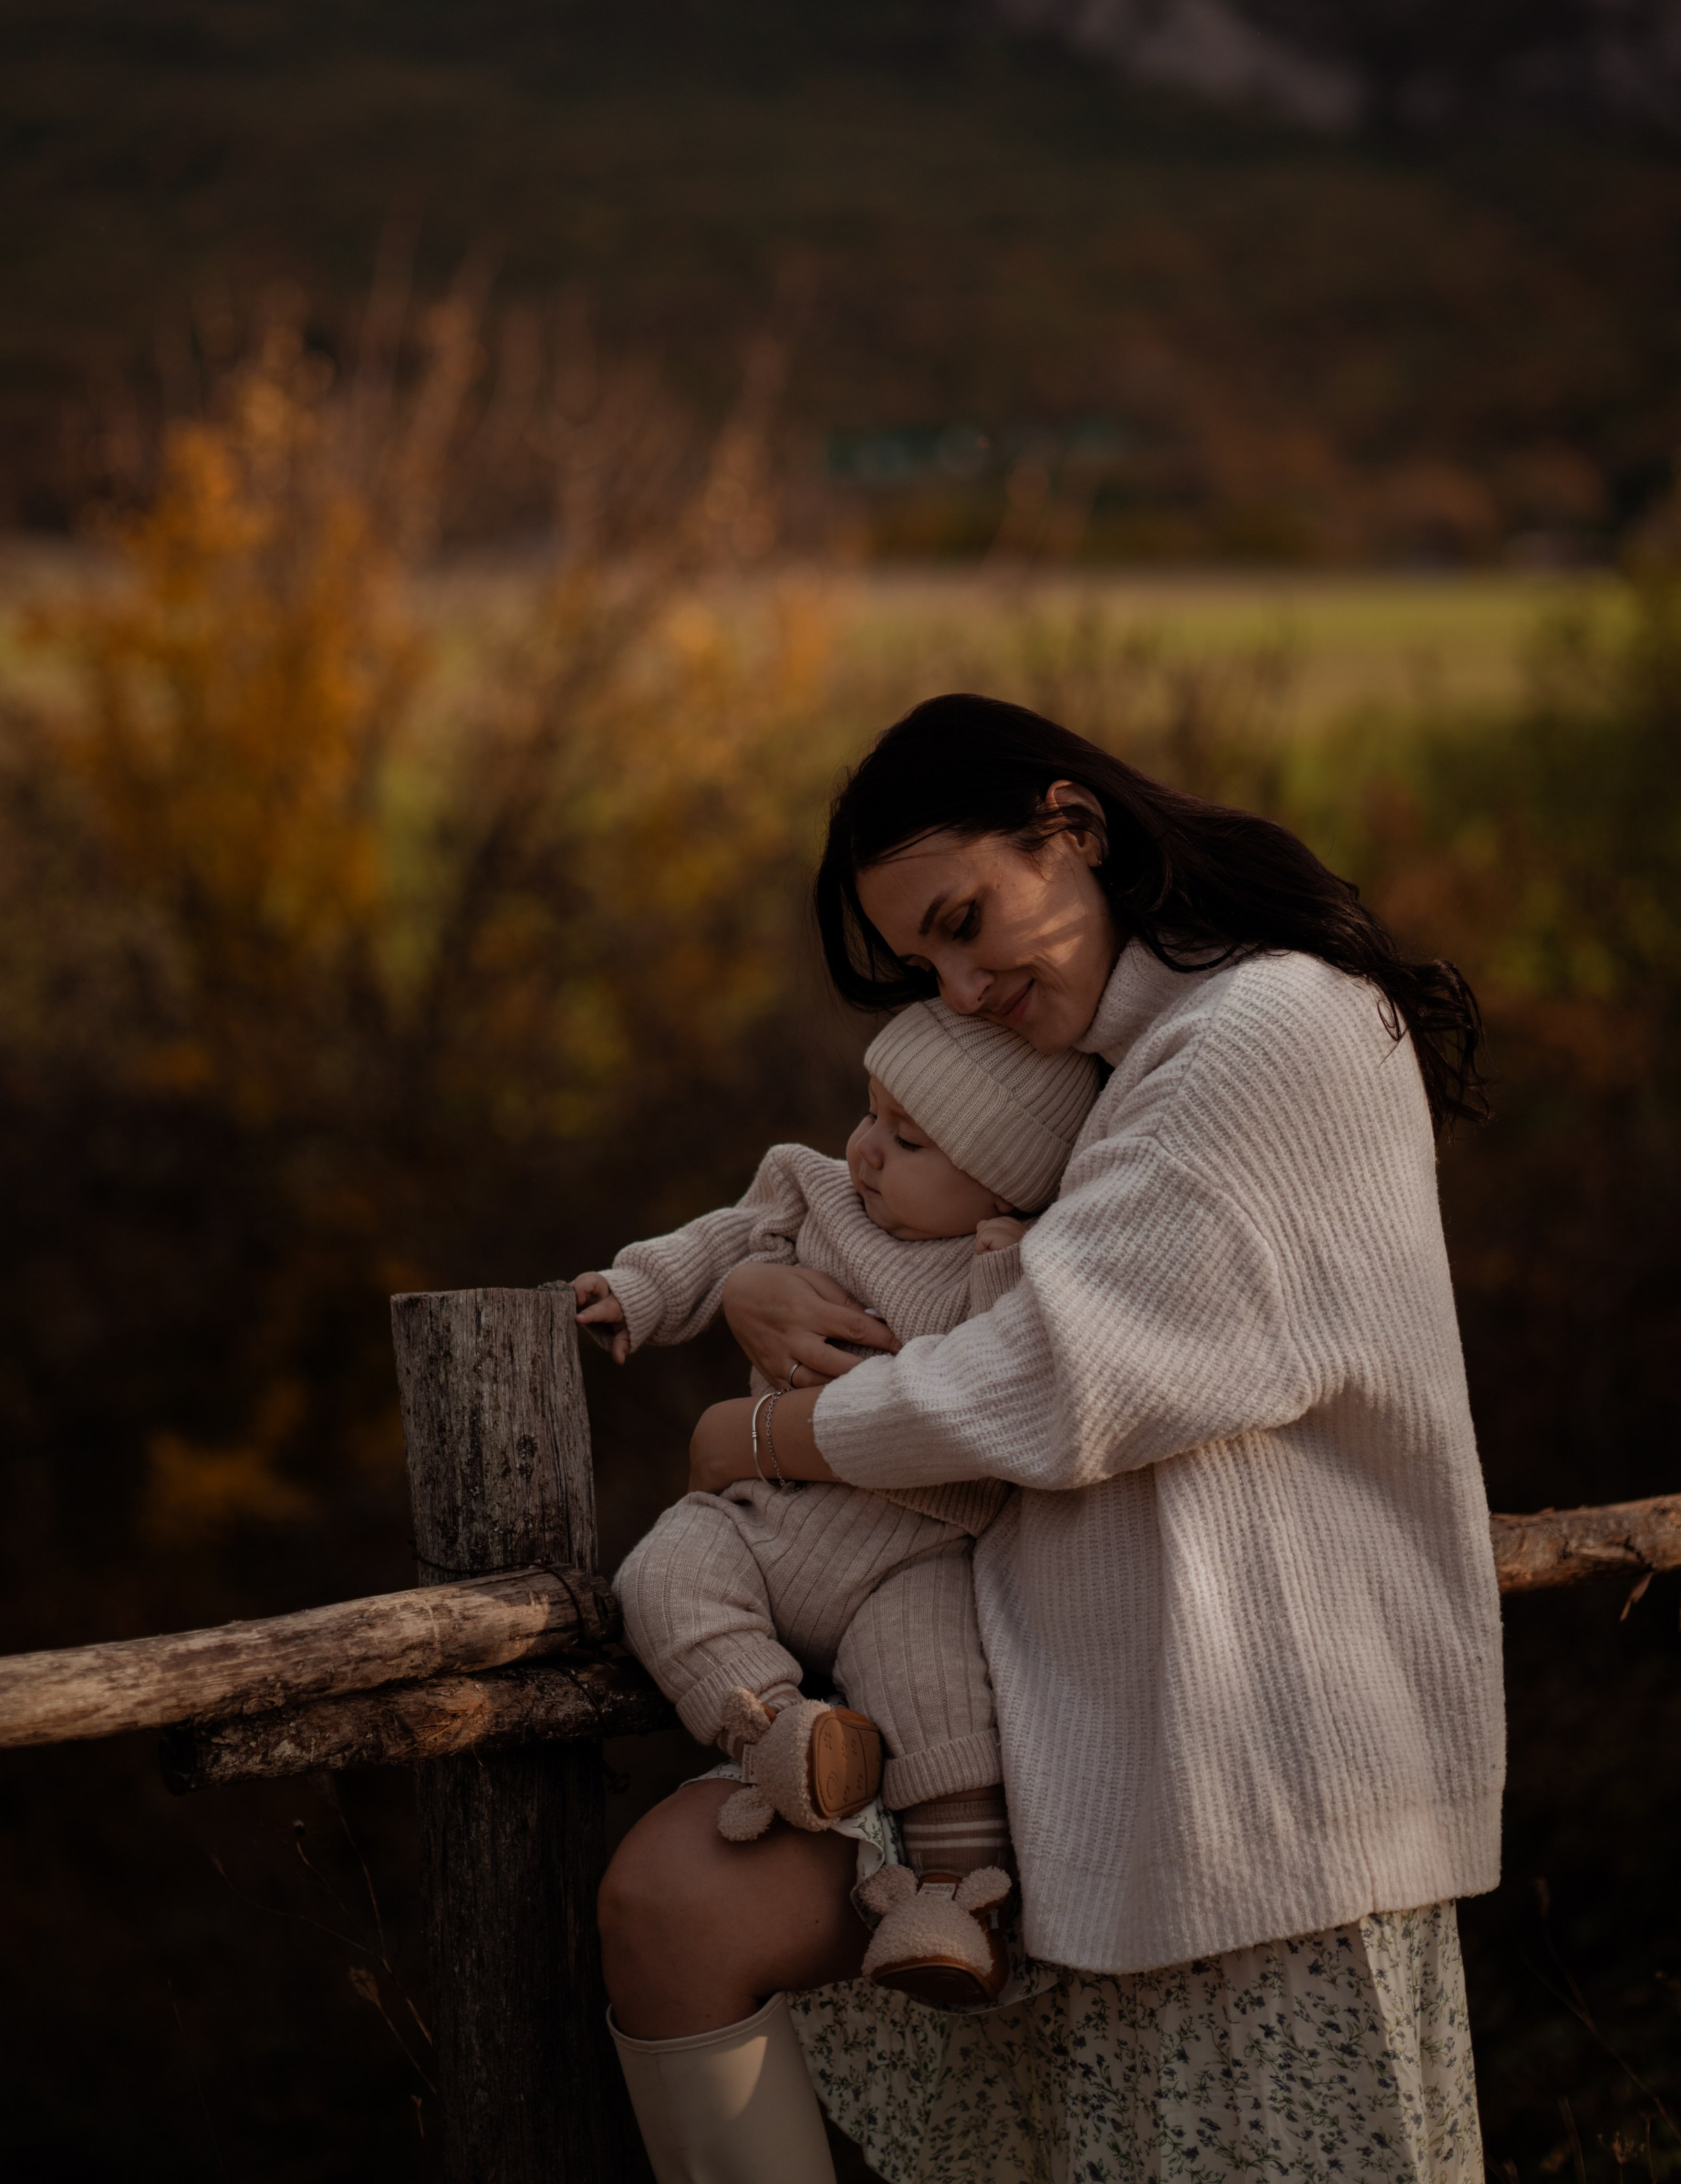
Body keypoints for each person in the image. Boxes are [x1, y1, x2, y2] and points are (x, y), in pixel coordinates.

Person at [597, 692, 1505, 2184]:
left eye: (965, 921)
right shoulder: (1107, 1064)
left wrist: (760, 1432)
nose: (955, 988)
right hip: (1064, 1740)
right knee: (674, 1904)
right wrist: (770, 1269)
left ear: (1069, 828)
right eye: (921, 963)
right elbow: (942, 1268)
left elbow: (1056, 1376)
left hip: (1243, 1769)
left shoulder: (1265, 1030)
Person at [574, 997, 1100, 2035]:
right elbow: (721, 1242)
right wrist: (639, 1289)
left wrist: (1008, 1261)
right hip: (763, 1516)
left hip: (911, 1558)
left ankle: (954, 1905)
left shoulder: (1015, 1266)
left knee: (941, 1696)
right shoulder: (814, 1194)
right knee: (662, 1578)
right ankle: (780, 1728)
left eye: (908, 1142)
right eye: (871, 1114)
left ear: (1002, 1182)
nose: (866, 1151)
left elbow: (1008, 1391)